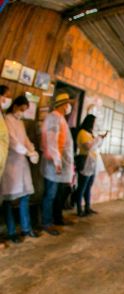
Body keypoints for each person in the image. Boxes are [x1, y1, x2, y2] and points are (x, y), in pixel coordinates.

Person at [0, 96, 40, 243]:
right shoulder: (6, 119)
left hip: (22, 164)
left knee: (25, 197)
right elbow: (12, 141)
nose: (22, 113)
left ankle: (26, 228)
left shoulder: (20, 122)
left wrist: (32, 150)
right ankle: (11, 232)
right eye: (21, 109)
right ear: (15, 106)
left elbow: (25, 140)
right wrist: (26, 152)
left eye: (25, 110)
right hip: (10, 164)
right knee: (9, 200)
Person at [40, 92, 75, 236]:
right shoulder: (53, 117)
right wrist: (57, 161)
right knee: (50, 194)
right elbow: (51, 140)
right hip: (53, 164)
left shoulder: (61, 118)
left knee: (58, 194)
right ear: (63, 105)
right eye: (67, 104)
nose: (69, 106)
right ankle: (46, 223)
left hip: (60, 163)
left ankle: (57, 218)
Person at [75, 114, 107, 217]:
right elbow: (88, 146)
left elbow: (95, 145)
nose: (95, 125)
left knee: (88, 186)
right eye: (94, 122)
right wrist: (97, 139)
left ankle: (87, 207)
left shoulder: (90, 133)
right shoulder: (82, 133)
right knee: (82, 186)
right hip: (84, 161)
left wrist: (100, 138)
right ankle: (79, 209)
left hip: (92, 162)